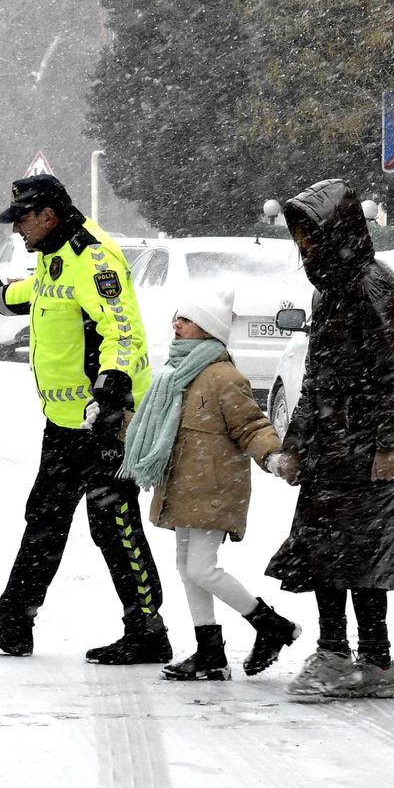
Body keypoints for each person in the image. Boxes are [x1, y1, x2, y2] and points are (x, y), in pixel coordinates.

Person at [0, 174, 171, 664]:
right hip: (67, 421)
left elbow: (123, 330)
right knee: (45, 518)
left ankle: (148, 629)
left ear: (48, 215)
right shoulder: (56, 253)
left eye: (22, 220)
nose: (17, 230)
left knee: (113, 521)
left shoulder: (94, 258)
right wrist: (2, 297)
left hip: (105, 420)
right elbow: (45, 292)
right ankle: (13, 622)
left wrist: (112, 389)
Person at [267, 179, 394, 699]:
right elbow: (316, 379)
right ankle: (340, 654)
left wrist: (388, 446)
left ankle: (367, 661)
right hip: (332, 447)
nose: (303, 245)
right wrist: (295, 445)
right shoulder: (330, 290)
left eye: (309, 233)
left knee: (362, 559)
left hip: (366, 448)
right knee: (326, 554)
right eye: (298, 235)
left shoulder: (372, 286)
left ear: (336, 231)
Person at [121, 288, 301, 681]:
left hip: (214, 487)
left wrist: (273, 456)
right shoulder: (173, 374)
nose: (177, 324)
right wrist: (117, 421)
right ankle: (210, 653)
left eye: (186, 319)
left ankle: (270, 624)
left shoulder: (223, 377)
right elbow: (155, 427)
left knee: (201, 569)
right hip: (184, 487)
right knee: (188, 569)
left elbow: (251, 425)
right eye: (178, 317)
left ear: (208, 329)